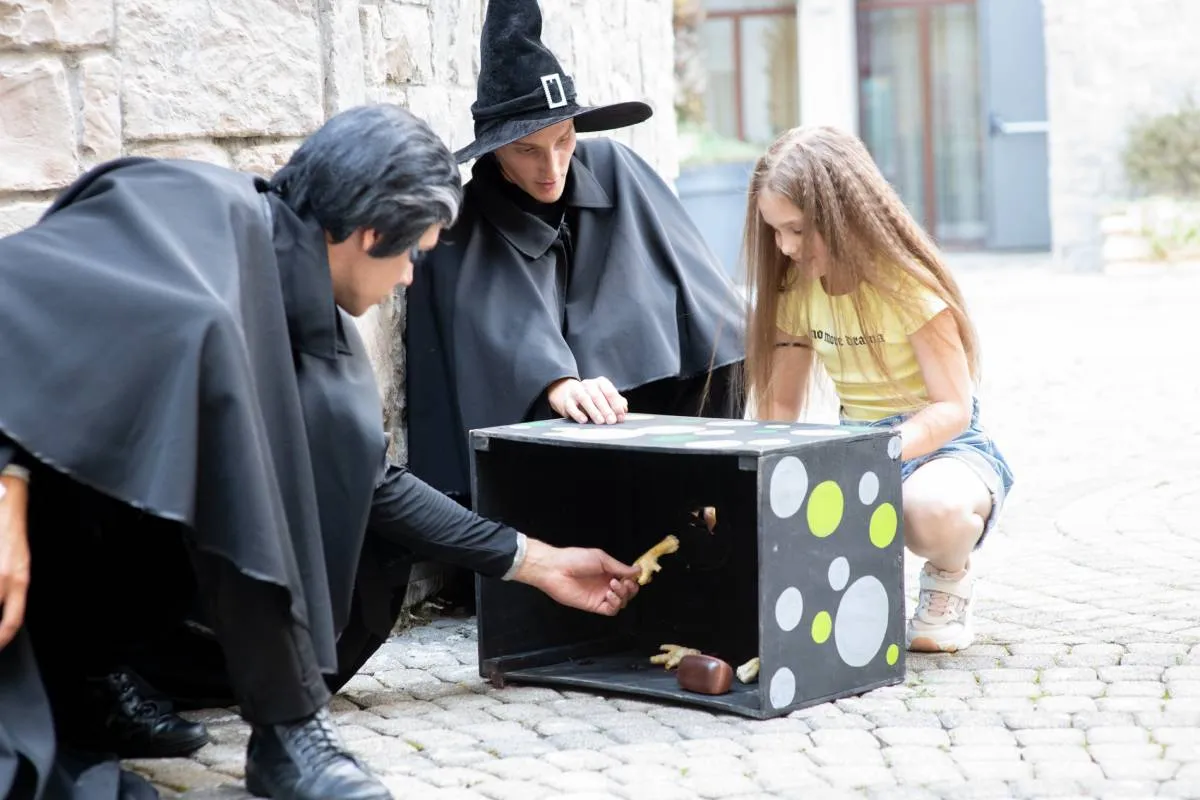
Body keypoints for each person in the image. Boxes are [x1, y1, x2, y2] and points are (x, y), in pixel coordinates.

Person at [0, 103, 642, 800]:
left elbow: (374, 484)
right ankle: (223, 712)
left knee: (336, 478)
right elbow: (20, 308)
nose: (408, 279)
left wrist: (538, 561)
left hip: (70, 540)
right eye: (412, 255)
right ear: (369, 234)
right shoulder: (188, 228)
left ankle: (110, 684)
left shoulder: (304, 308)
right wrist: (8, 484)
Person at [405, 0, 746, 608]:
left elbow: (703, 305)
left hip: (642, 439)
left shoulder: (614, 170)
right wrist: (555, 380)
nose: (552, 167)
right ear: (493, 150)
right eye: (527, 151)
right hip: (556, 485)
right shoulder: (466, 223)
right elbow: (489, 322)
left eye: (563, 140)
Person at [741, 125, 1014, 654]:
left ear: (845, 216)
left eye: (798, 230)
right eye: (775, 231)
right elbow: (780, 410)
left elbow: (952, 408)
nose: (785, 247)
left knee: (930, 510)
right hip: (854, 444)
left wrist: (874, 454)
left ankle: (949, 576)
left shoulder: (910, 289)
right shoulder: (795, 291)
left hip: (942, 448)